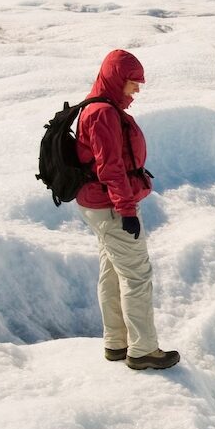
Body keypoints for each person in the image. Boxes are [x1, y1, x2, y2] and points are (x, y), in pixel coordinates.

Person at [75, 49, 179, 370]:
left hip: (99, 204)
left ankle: (117, 343)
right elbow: (111, 169)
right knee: (136, 274)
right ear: (117, 80)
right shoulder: (103, 114)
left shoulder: (100, 108)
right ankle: (143, 350)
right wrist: (127, 210)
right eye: (133, 83)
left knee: (112, 271)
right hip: (111, 206)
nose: (137, 91)